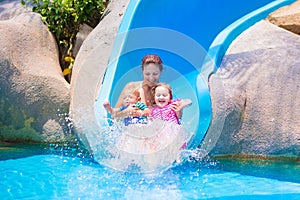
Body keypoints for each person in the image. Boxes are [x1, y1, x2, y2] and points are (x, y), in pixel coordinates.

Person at [114, 54, 185, 119]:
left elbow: (176, 112)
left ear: (161, 72)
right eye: (147, 74)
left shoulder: (162, 92)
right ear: (142, 71)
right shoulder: (131, 87)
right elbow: (114, 115)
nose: (151, 78)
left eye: (155, 74)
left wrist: (179, 110)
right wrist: (126, 112)